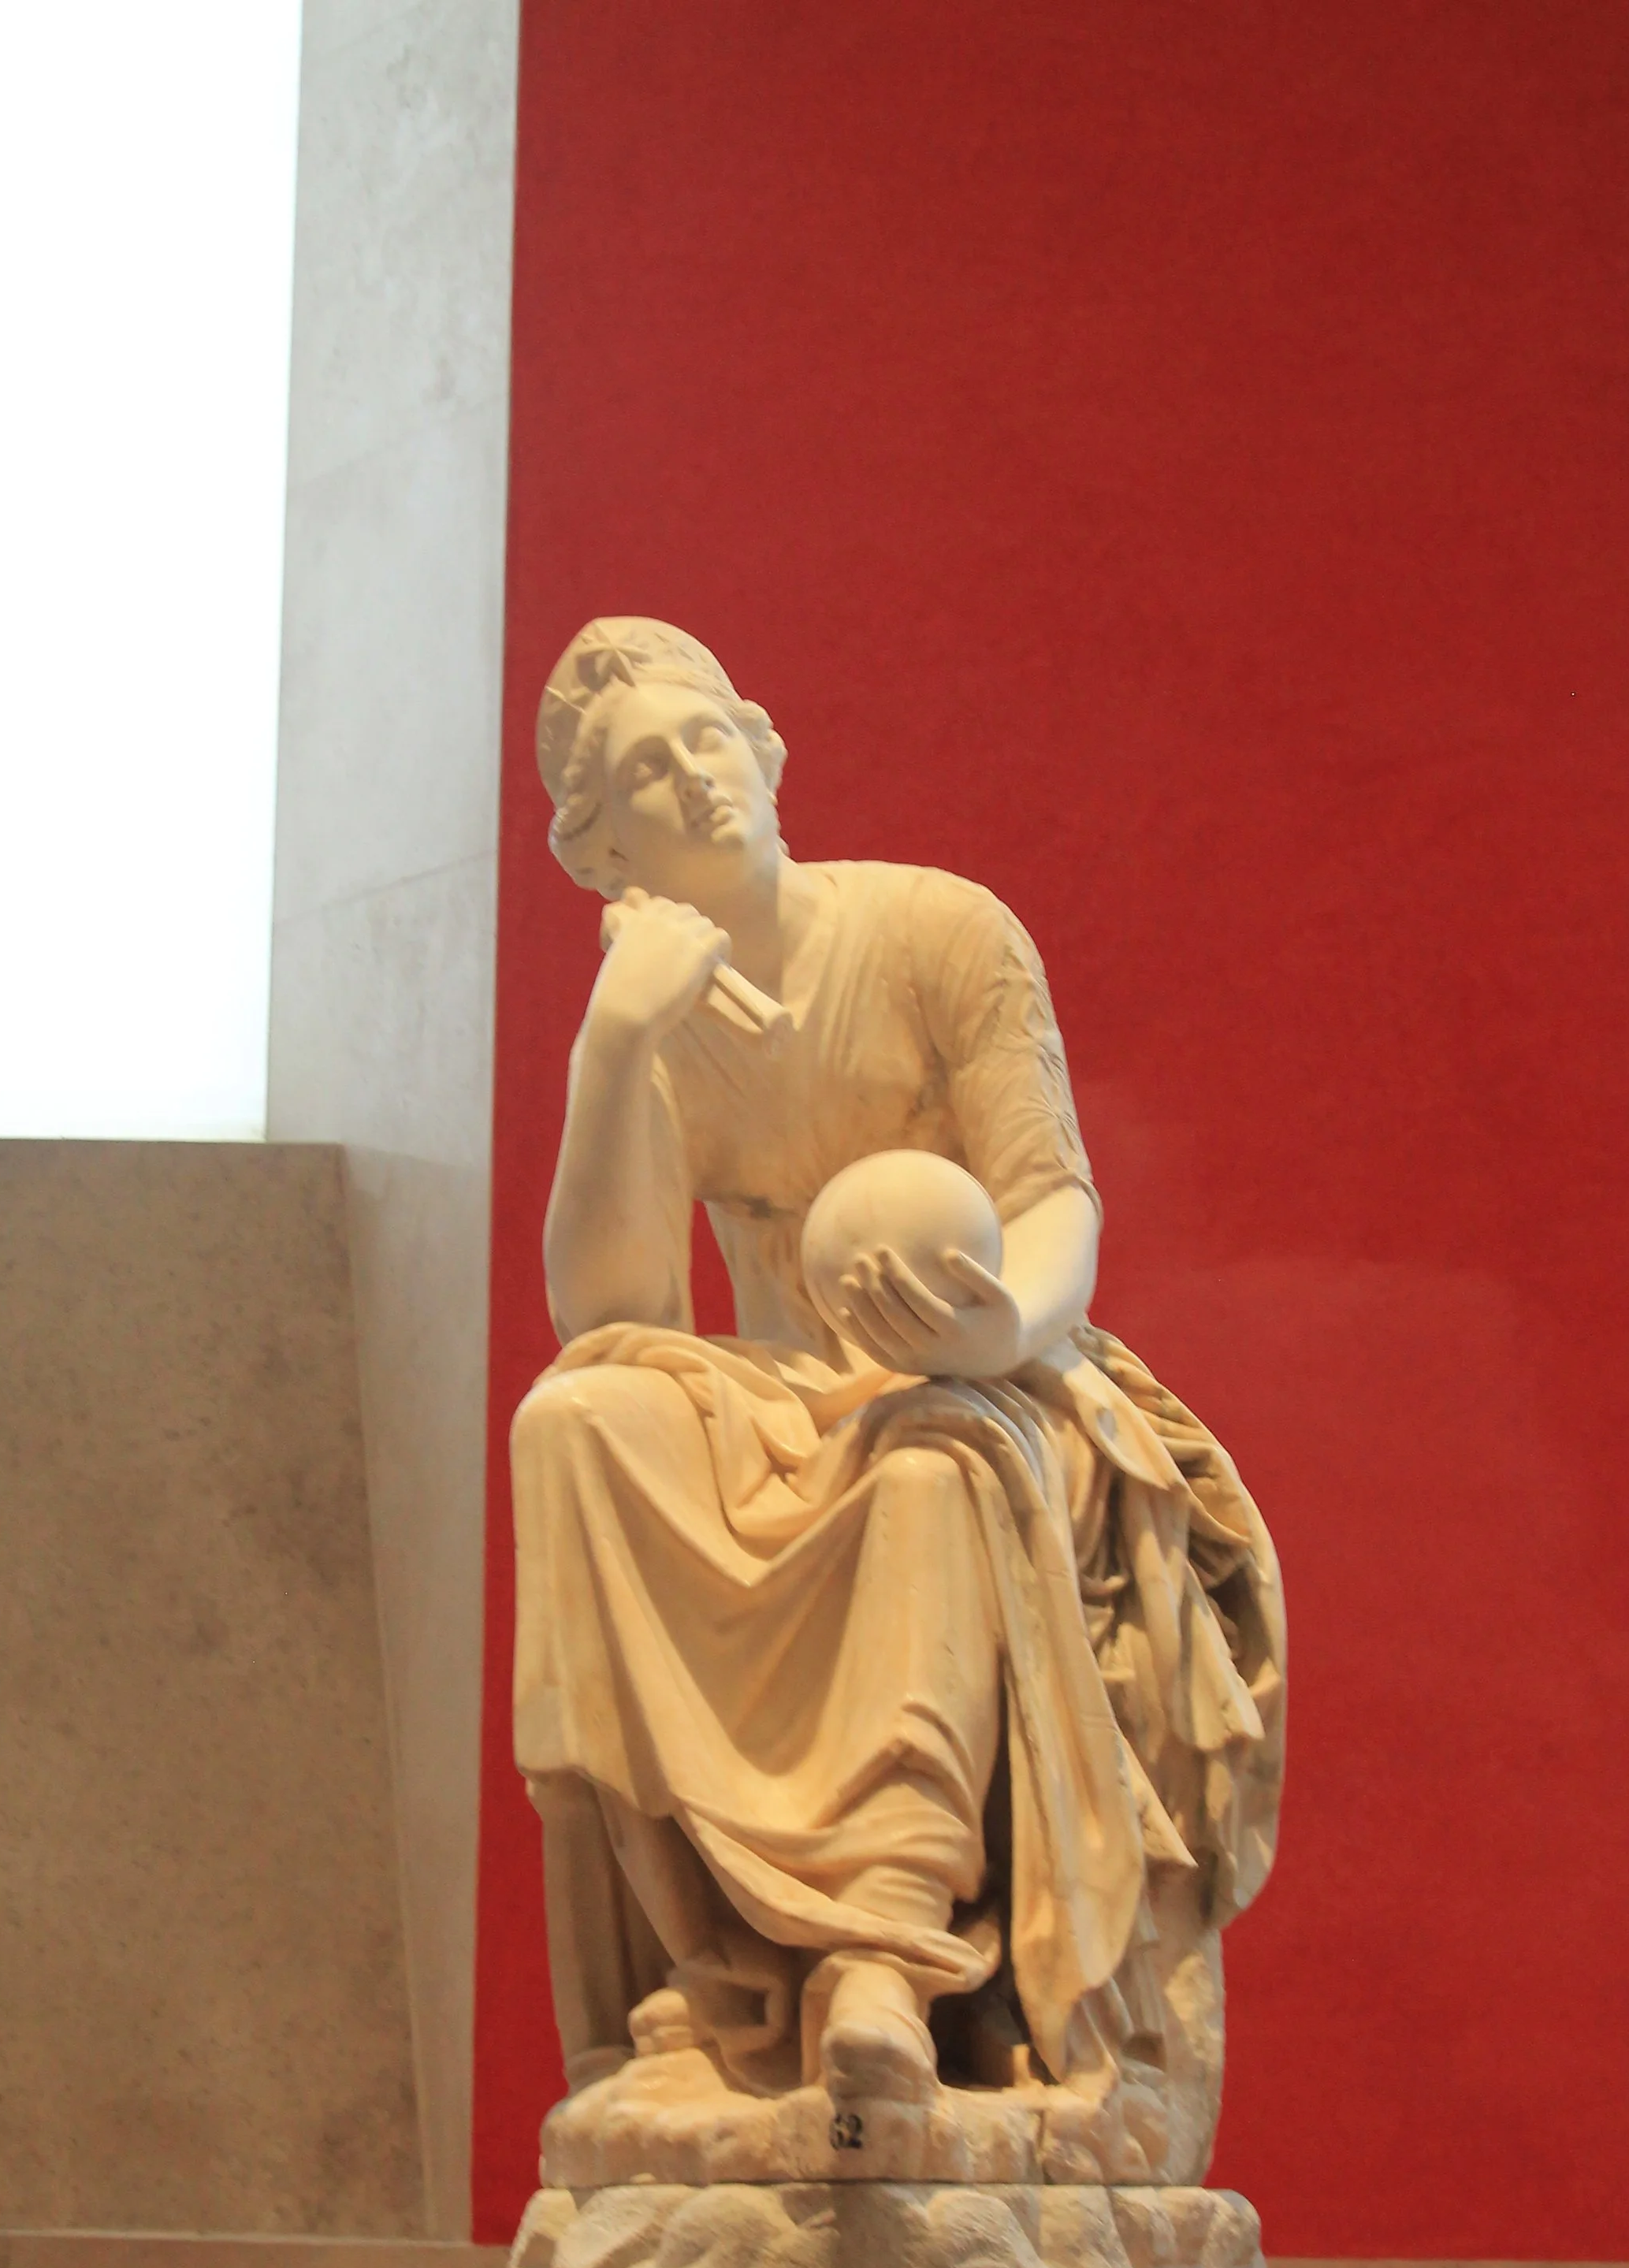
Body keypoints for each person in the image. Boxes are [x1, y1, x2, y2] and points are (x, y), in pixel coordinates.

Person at [512, 617, 1284, 2183]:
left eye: (706, 740)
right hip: (781, 1399)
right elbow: (615, 1317)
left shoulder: (939, 933)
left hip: (991, 1376)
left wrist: (1000, 1325)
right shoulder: (657, 1009)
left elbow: (1050, 1200)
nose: (694, 779)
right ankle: (712, 1975)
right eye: (645, 773)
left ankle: (876, 1955)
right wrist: (614, 1041)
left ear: (763, 748)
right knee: (572, 1421)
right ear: (603, 852)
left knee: (927, 1458)